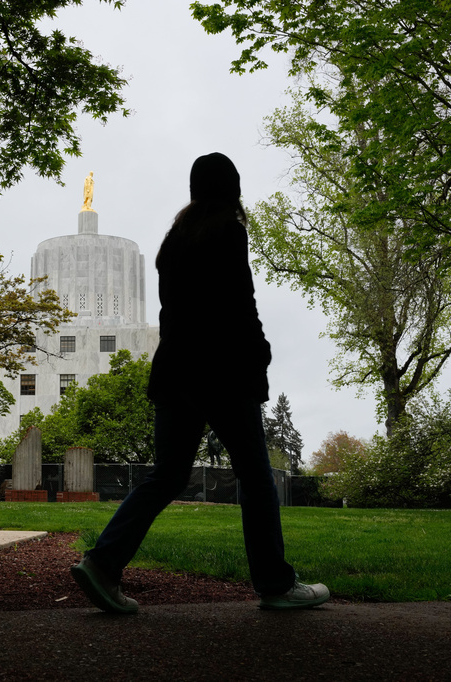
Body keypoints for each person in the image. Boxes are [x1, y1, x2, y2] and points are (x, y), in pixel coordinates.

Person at [70, 153, 329, 613]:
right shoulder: (228, 230)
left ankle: (103, 562)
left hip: (175, 369)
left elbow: (174, 313)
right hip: (222, 369)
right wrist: (260, 353)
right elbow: (238, 302)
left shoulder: (174, 240)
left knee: (166, 476)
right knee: (256, 476)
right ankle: (274, 583)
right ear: (232, 189)